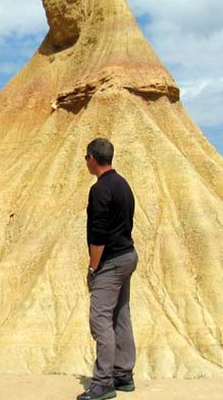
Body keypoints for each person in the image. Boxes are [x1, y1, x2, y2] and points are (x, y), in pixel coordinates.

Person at [78, 139, 138, 400]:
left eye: (86, 158)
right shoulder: (123, 184)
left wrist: (93, 267)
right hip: (127, 255)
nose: (86, 162)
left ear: (92, 158)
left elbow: (98, 233)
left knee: (100, 319)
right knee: (120, 314)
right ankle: (123, 374)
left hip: (111, 261)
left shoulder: (100, 189)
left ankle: (103, 383)